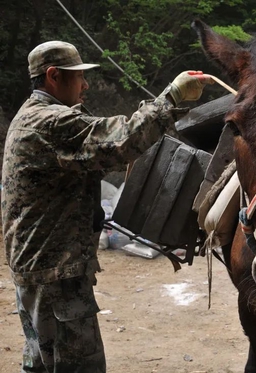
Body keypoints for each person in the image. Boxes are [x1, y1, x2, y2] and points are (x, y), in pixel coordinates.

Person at [2, 40, 214, 372]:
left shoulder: (31, 117)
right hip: (56, 278)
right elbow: (121, 142)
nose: (85, 84)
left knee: (42, 363)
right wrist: (171, 96)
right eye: (78, 76)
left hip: (38, 271)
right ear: (53, 76)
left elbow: (103, 149)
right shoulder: (48, 123)